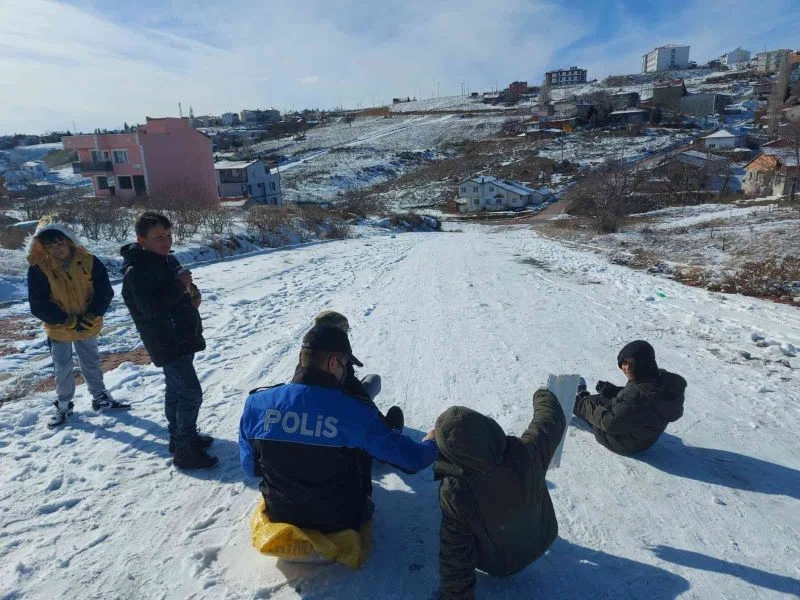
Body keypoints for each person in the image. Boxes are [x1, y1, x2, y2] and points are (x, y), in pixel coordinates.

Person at [239, 324, 437, 534]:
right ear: (333, 363)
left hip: (280, 515)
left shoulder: (256, 404)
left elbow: (251, 469)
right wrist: (432, 441)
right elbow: (414, 461)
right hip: (341, 521)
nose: (345, 373)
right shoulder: (355, 412)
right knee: (361, 445)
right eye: (344, 366)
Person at [433, 389, 566, 600]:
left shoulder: (455, 494)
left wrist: (454, 595)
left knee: (458, 534)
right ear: (487, 428)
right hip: (543, 538)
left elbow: (455, 555)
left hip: (500, 565)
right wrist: (543, 393)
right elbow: (551, 419)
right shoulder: (528, 452)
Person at [120, 212, 216, 469]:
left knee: (176, 392)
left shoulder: (166, 260)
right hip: (166, 342)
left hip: (182, 336)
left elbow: (182, 291)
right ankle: (185, 450)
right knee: (191, 394)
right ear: (141, 240)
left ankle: (180, 437)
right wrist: (180, 286)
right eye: (159, 237)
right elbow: (151, 308)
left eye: (169, 235)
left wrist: (192, 294)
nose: (166, 240)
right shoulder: (136, 271)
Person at [26, 216, 128, 428]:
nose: (57, 249)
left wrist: (93, 314)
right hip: (59, 329)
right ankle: (63, 404)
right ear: (43, 246)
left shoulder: (88, 261)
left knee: (90, 361)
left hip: (88, 323)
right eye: (50, 245)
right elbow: (38, 303)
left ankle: (100, 397)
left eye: (60, 243)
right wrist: (64, 320)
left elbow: (104, 291)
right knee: (62, 367)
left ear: (69, 240)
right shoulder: (39, 268)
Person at [573, 340, 686, 454]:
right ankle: (583, 398)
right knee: (601, 399)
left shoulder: (638, 398)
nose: (627, 368)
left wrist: (580, 405)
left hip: (620, 441)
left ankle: (576, 400)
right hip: (643, 438)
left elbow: (609, 423)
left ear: (644, 363)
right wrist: (615, 391)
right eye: (624, 363)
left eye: (632, 363)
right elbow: (638, 399)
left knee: (591, 408)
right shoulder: (659, 381)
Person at [311, 310, 403, 431]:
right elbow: (355, 388)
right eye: (345, 330)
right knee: (374, 379)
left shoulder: (307, 353)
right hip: (340, 414)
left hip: (313, 409)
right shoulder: (339, 354)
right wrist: (383, 423)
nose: (347, 334)